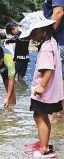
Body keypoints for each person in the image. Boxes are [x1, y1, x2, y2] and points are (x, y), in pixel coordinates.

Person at [19, 13, 62, 157]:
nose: (31, 37)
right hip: (51, 90)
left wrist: (41, 86)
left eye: (32, 34)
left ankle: (43, 148)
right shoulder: (52, 41)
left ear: (39, 30)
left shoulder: (45, 47)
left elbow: (49, 69)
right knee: (42, 116)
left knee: (39, 116)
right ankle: (45, 143)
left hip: (44, 91)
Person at [43, 0, 64, 121]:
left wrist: (46, 36)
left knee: (56, 79)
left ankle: (54, 119)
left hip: (60, 40)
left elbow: (58, 12)